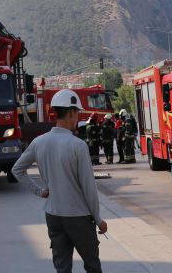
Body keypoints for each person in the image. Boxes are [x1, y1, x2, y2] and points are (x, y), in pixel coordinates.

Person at [13, 89, 108, 273]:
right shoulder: (78, 145)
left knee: (62, 267)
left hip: (53, 216)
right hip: (79, 217)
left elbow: (17, 169)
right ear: (71, 112)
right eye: (77, 113)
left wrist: (39, 191)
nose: (77, 118)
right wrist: (98, 219)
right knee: (92, 265)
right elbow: (89, 188)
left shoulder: (39, 142)